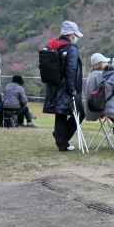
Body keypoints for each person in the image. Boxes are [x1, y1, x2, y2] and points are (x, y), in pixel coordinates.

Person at [43, 20, 84, 152]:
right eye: (75, 35)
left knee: (60, 113)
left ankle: (61, 139)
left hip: (53, 85)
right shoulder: (71, 49)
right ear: (70, 34)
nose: (75, 37)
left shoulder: (50, 45)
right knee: (79, 113)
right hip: (66, 87)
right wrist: (72, 88)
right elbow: (71, 69)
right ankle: (62, 140)